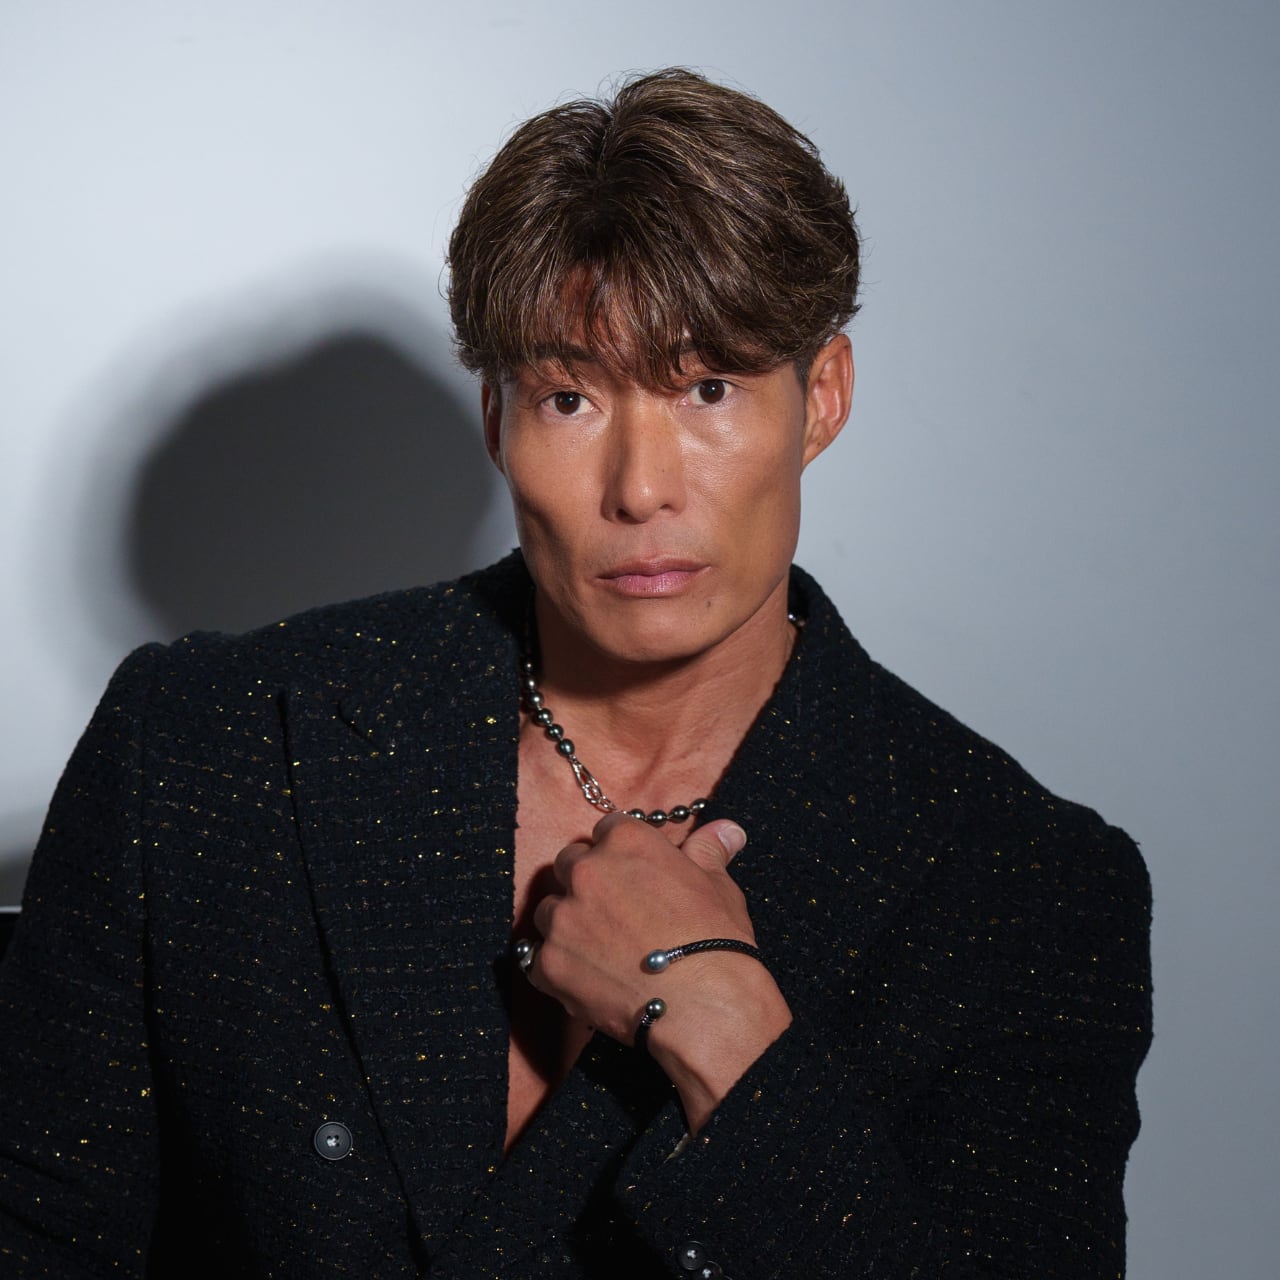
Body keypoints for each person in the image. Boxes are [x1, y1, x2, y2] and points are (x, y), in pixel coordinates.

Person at [0, 69, 1151, 1278]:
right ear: (495, 418)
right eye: (568, 397)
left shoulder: (1020, 885)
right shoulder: (211, 742)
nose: (639, 486)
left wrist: (726, 1030)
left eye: (707, 387)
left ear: (820, 399)